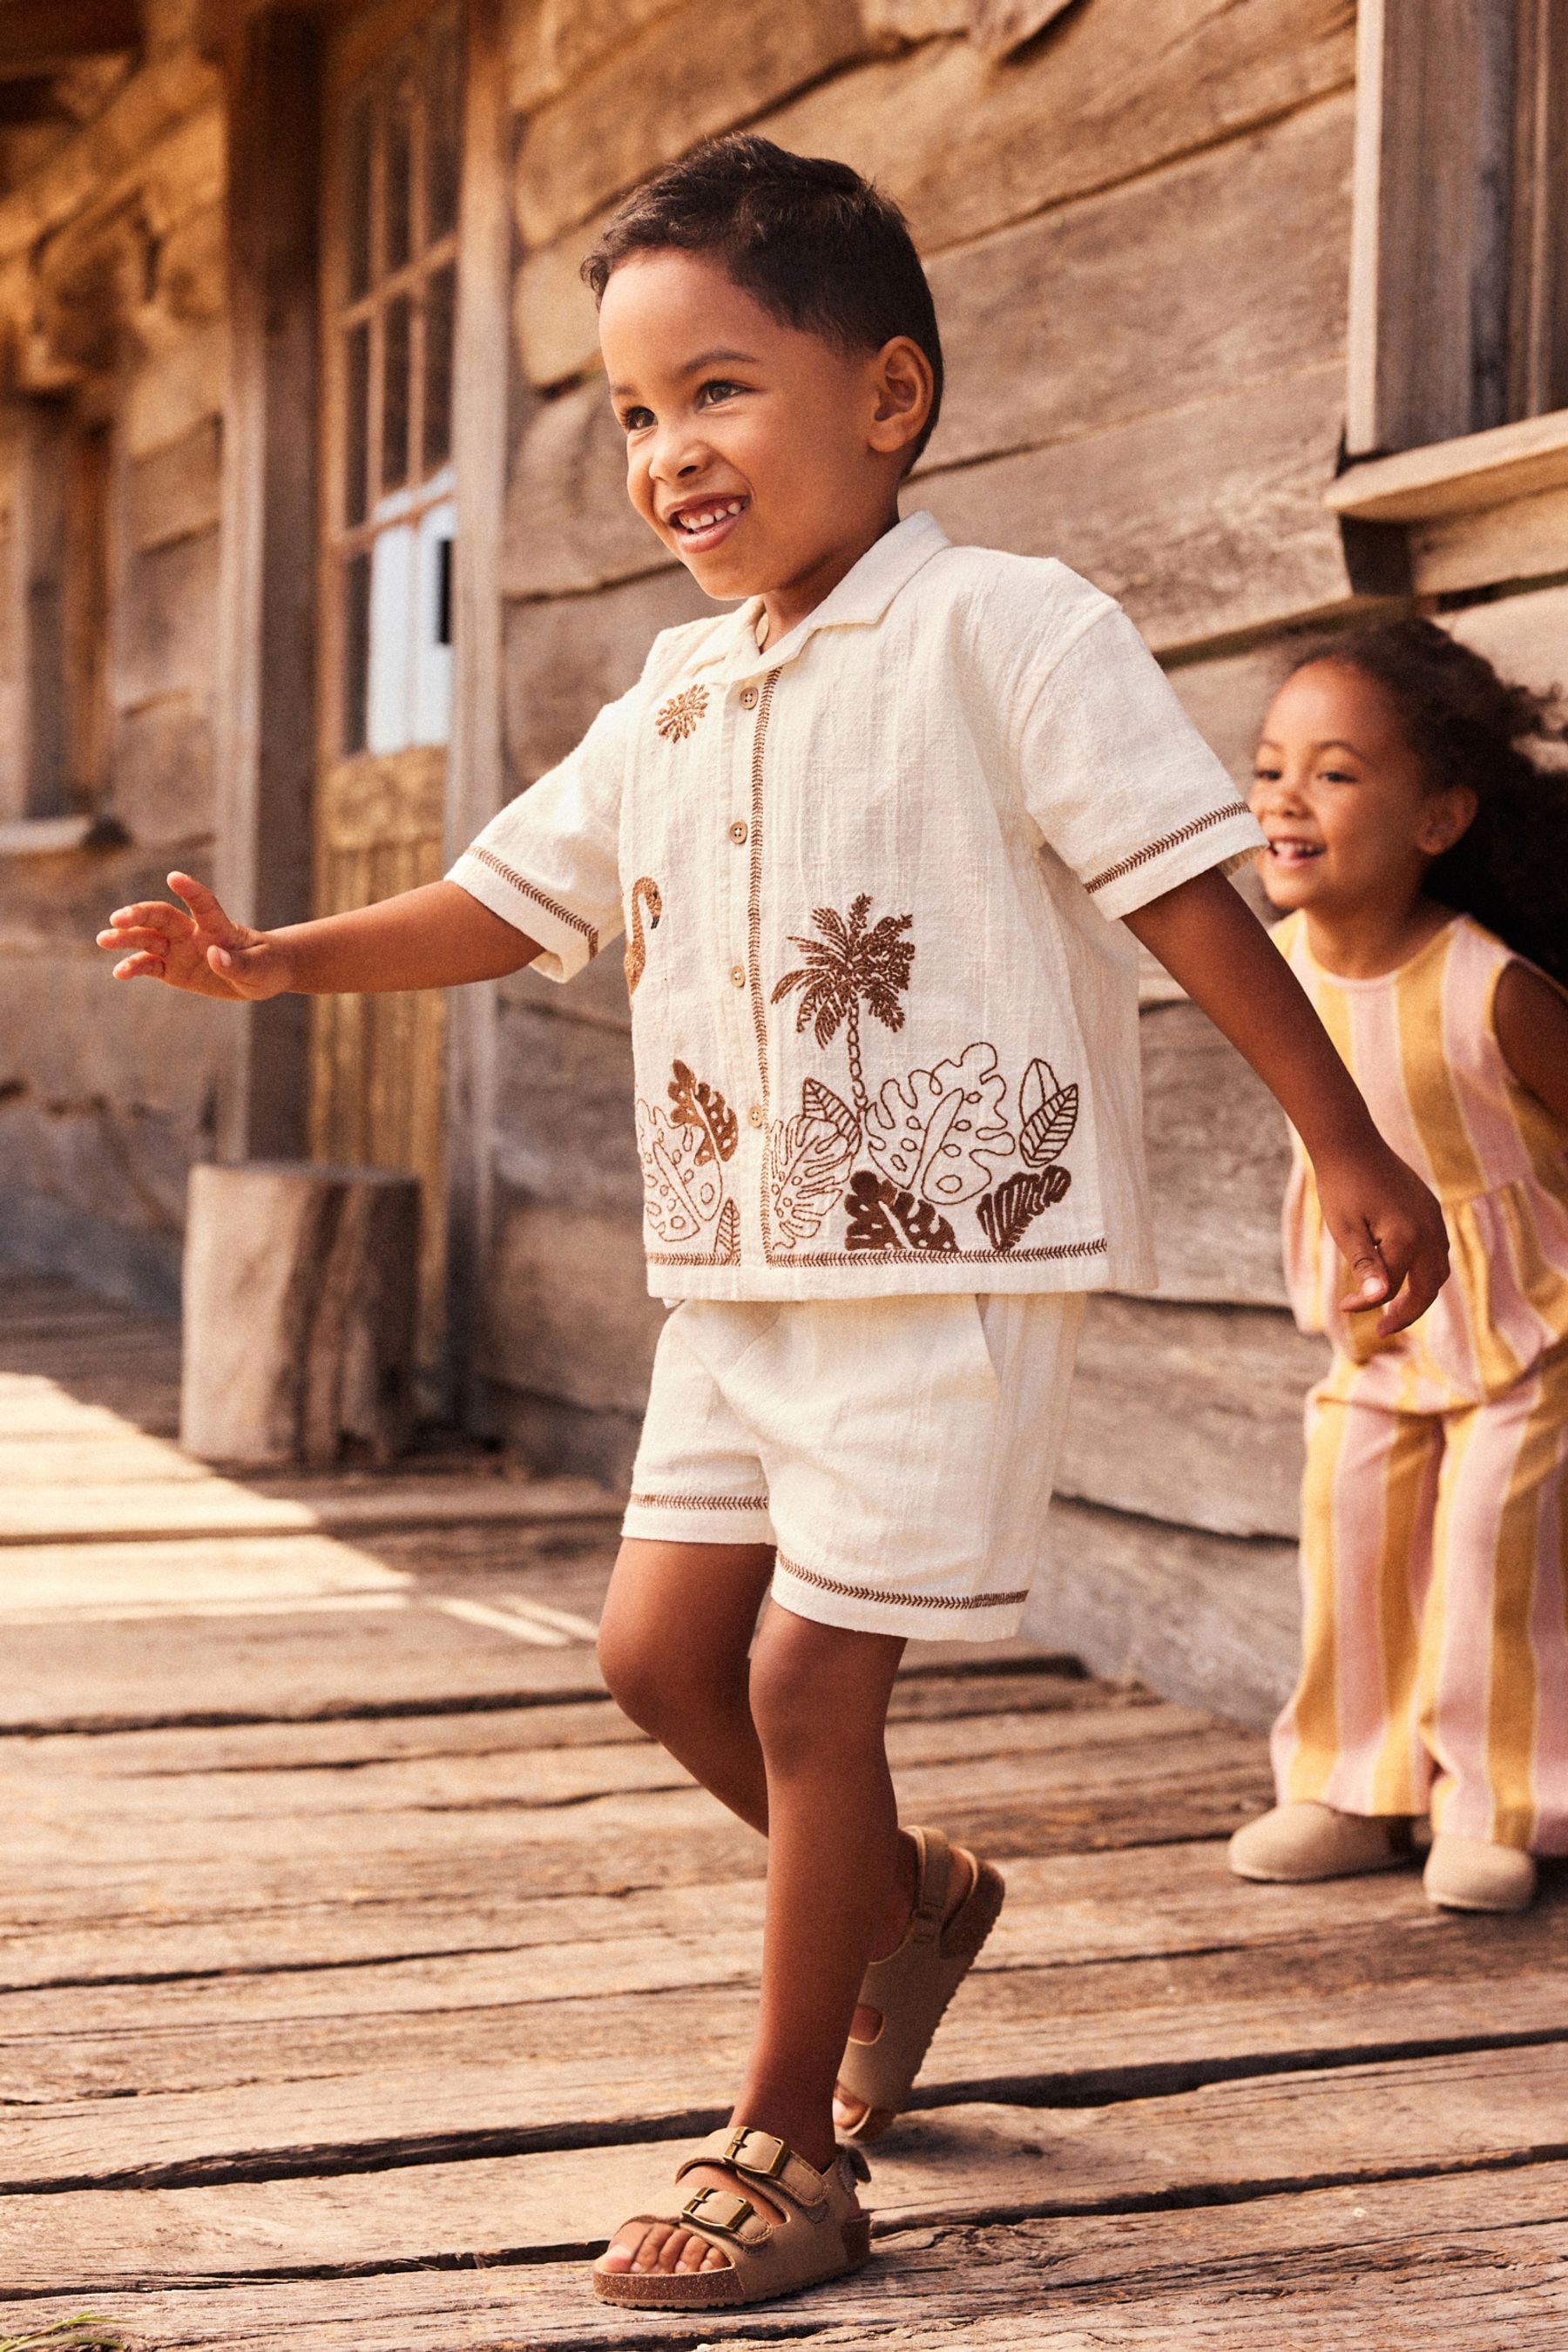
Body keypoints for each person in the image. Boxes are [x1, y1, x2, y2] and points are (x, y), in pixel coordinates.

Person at [98, 136, 1447, 2314]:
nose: (668, 452)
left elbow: (1179, 884)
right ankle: (907, 1910)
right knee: (657, 1660)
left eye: (717, 390)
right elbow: (500, 899)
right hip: (734, 1269)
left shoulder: (1008, 626)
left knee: (814, 1681)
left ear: (888, 394)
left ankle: (791, 2141)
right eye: (635, 416)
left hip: (943, 1254)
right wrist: (277, 958)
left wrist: (1344, 1140)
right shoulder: (678, 690)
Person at [1231, 618, 1568, 1917]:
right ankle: (1354, 1788)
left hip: (1525, 1334)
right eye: (1269, 769)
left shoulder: (1491, 989)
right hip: (1373, 1331)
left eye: (1334, 772)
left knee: (1496, 1549)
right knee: (1353, 1531)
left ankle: (1500, 1803)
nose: (1285, 799)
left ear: (1439, 818)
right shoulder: (1280, 975)